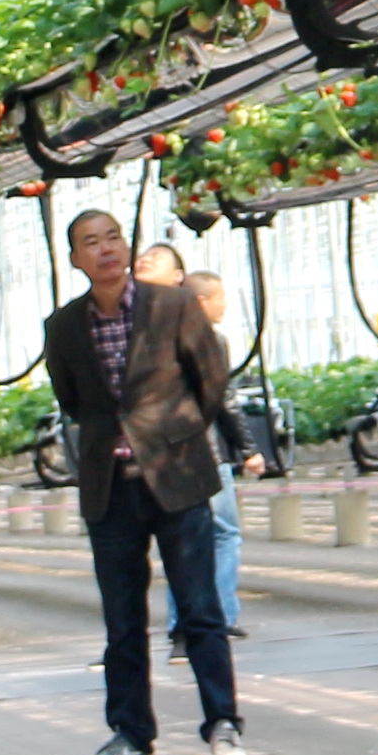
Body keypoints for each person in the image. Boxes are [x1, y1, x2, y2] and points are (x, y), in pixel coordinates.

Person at [43, 208, 247, 755]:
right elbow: (72, 400)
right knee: (122, 619)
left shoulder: (173, 305)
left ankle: (222, 721)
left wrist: (174, 434)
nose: (106, 248)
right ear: (76, 259)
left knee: (200, 607)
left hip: (177, 478)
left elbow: (210, 380)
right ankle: (131, 731)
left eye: (113, 237)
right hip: (110, 487)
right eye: (91, 242)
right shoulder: (63, 327)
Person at [141, 246, 252, 635]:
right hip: (197, 451)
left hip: (166, 451)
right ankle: (215, 617)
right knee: (217, 534)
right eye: (220, 298)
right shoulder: (203, 337)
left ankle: (190, 621)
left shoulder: (143, 331)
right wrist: (249, 449)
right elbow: (221, 398)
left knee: (186, 538)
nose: (224, 305)